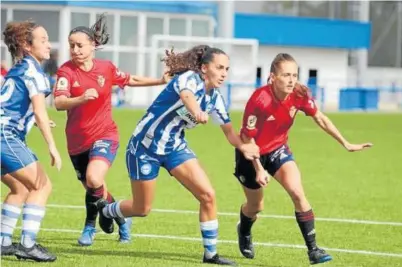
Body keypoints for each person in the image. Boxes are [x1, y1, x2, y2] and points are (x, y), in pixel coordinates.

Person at [96, 45, 260, 265]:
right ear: (204, 68)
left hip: (174, 147)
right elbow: (186, 96)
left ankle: (210, 254)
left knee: (208, 195)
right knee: (141, 208)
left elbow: (229, 132)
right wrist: (196, 112)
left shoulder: (216, 99)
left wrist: (244, 147)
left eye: (227, 69)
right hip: (144, 148)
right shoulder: (189, 79)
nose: (223, 73)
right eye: (219, 67)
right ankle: (107, 211)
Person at [234, 53, 373, 265]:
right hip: (250, 153)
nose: (291, 80)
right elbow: (246, 138)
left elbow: (320, 118)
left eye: (295, 75)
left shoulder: (299, 93)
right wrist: (258, 168)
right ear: (272, 77)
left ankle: (313, 250)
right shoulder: (259, 99)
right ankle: (244, 230)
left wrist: (345, 143)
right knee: (256, 207)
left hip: (278, 149)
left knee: (298, 192)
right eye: (286, 75)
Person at [53, 14, 170, 247]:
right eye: (71, 46)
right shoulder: (66, 71)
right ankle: (121, 218)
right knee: (96, 188)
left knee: (94, 178)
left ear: (93, 45)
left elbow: (130, 78)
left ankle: (89, 227)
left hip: (105, 134)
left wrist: (159, 80)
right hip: (76, 141)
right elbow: (58, 103)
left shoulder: (105, 68)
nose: (75, 50)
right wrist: (81, 98)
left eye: (79, 45)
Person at [0, 20, 62, 262]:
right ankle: (27, 244)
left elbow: (12, 105)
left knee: (20, 188)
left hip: (3, 133)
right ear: (27, 45)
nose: (49, 45)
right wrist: (52, 147)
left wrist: (35, 121)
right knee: (42, 186)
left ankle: (3, 242)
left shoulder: (19, 68)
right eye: (43, 40)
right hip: (5, 136)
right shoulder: (34, 72)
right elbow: (39, 110)